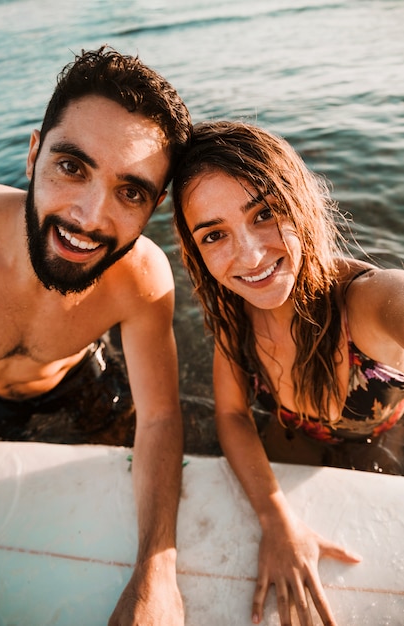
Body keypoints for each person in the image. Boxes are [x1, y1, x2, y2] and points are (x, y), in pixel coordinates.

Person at [0, 47, 192, 625]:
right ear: (32, 154)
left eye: (131, 191)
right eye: (72, 166)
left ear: (153, 207)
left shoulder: (142, 277)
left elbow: (158, 418)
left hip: (80, 379)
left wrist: (157, 574)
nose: (89, 217)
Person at [172, 120, 404, 625]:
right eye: (215, 234)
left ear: (300, 201)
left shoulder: (367, 302)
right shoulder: (235, 318)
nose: (250, 256)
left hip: (387, 432)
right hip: (295, 433)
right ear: (195, 249)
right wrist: (276, 519)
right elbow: (232, 416)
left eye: (265, 213)